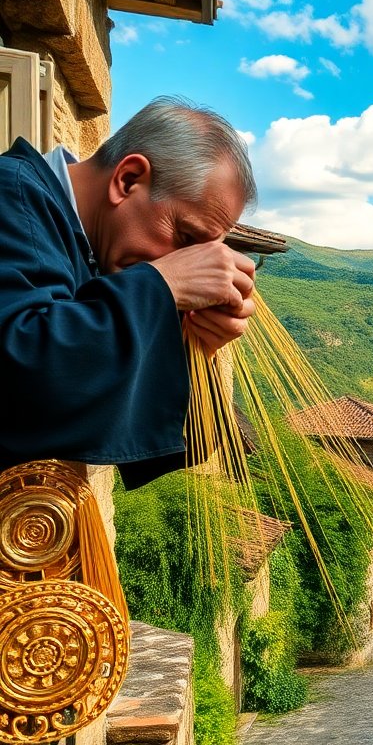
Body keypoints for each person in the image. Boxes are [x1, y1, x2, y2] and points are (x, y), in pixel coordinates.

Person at [0, 96, 258, 488]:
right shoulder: (10, 194)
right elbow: (22, 374)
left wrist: (192, 346)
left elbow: (102, 414)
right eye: (185, 238)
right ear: (128, 179)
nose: (189, 265)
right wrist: (163, 285)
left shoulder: (91, 252)